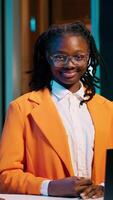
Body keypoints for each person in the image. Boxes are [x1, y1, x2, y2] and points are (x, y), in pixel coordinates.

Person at [0, 21, 113, 199]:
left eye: (79, 56)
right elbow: (4, 176)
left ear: (89, 57)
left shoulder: (109, 110)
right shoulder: (21, 109)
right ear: (47, 57)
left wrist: (105, 187)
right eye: (60, 57)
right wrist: (50, 187)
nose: (69, 64)